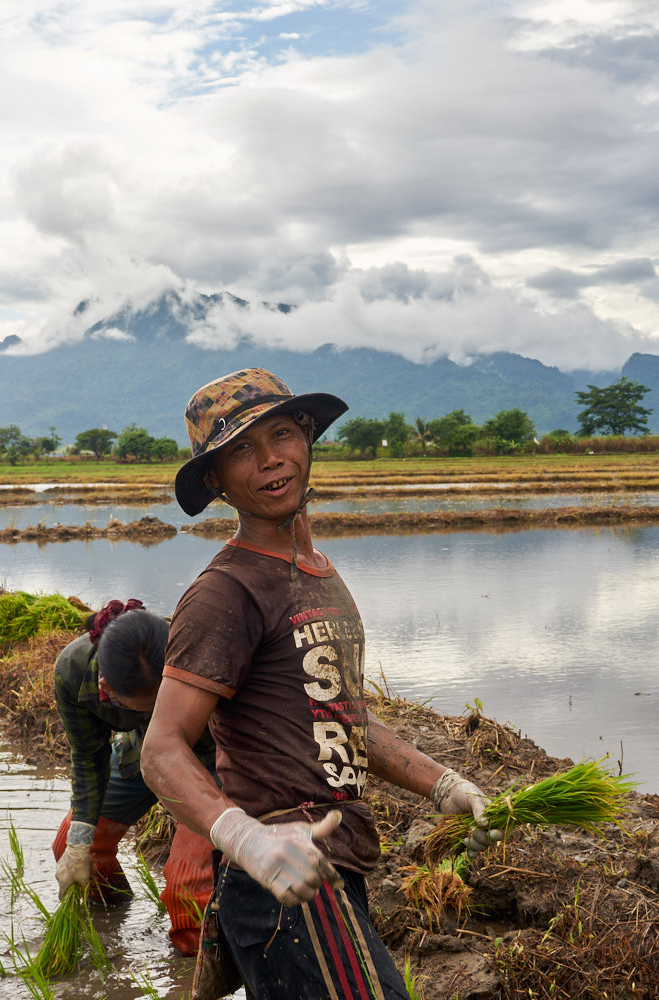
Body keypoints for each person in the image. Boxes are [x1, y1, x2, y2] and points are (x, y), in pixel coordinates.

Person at [142, 368, 500, 999]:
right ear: (216, 480)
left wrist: (442, 783)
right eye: (241, 450)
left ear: (307, 437)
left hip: (328, 871)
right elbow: (161, 750)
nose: (270, 459)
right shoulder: (226, 592)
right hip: (284, 879)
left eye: (281, 434)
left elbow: (340, 714)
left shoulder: (317, 573)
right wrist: (247, 840)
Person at [51, 598, 219, 956]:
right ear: (107, 686)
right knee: (73, 846)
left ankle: (198, 962)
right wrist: (80, 841)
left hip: (207, 761)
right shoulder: (74, 671)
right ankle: (112, 915)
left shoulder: (200, 654)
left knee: (188, 887)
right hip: (140, 753)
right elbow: (88, 758)